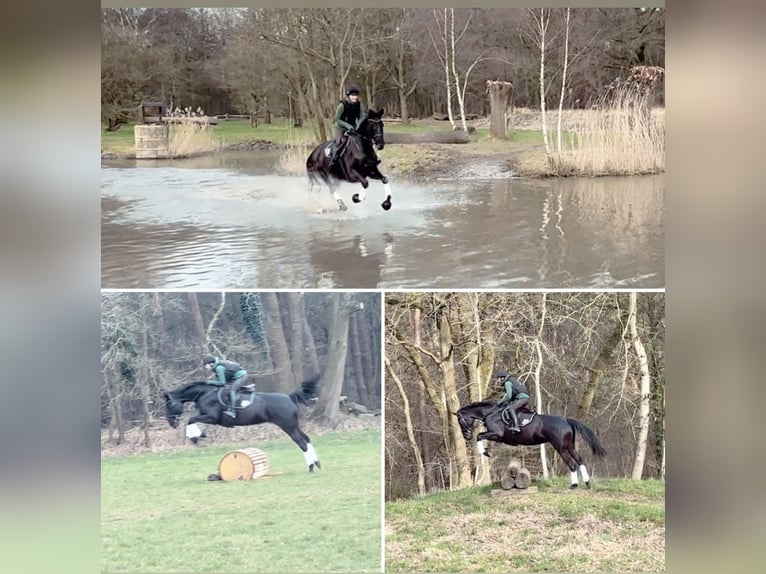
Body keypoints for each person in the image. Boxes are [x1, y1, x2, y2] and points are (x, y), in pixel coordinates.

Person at [330, 85, 367, 166]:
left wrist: (358, 124)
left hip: (353, 127)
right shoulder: (342, 105)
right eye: (352, 95)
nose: (354, 97)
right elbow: (337, 119)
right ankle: (334, 158)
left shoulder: (359, 104)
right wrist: (347, 126)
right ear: (348, 96)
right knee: (342, 142)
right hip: (341, 128)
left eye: (356, 95)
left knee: (363, 140)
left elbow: (362, 116)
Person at [202, 355, 249, 419]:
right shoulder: (216, 367)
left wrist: (209, 382)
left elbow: (222, 383)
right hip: (234, 377)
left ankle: (233, 411)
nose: (205, 367)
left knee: (232, 390)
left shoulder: (219, 368)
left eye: (206, 365)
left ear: (211, 363)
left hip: (241, 376)